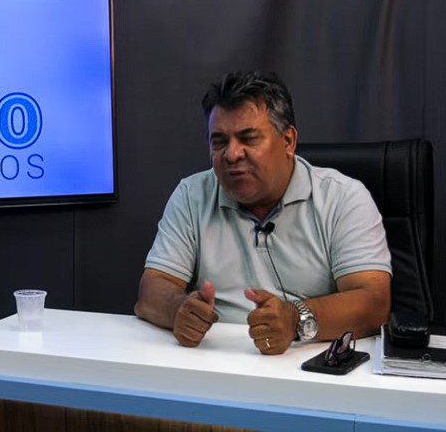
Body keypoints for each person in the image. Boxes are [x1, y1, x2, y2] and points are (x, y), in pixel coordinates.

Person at [134, 71, 392, 355]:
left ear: (288, 141)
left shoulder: (342, 197)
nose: (232, 154)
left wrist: (295, 319)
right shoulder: (192, 195)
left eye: (248, 138)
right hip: (212, 358)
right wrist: (177, 309)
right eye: (219, 141)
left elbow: (374, 302)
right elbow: (151, 290)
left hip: (306, 360)